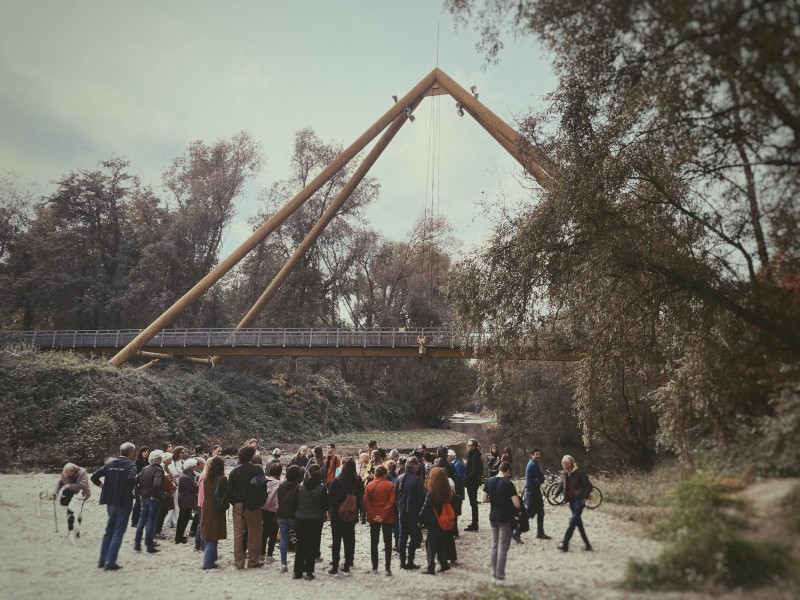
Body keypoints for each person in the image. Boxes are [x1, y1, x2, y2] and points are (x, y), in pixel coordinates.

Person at [91, 442, 137, 571]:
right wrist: (130, 490)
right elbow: (131, 479)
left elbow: (94, 477)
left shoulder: (110, 463)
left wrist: (104, 487)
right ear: (130, 452)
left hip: (110, 501)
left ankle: (102, 560)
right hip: (124, 502)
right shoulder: (130, 465)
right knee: (118, 532)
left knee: (109, 530)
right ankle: (110, 562)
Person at [225, 445, 265, 569]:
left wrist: (235, 503)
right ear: (251, 456)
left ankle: (239, 562)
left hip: (238, 504)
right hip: (253, 505)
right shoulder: (258, 469)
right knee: (255, 533)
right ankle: (253, 561)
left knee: (238, 534)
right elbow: (262, 487)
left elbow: (229, 492)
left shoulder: (234, 470)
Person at [483, 461, 521, 585]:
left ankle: (494, 574)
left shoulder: (488, 481)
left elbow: (483, 499)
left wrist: (494, 500)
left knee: (494, 545)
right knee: (503, 548)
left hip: (493, 517)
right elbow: (517, 504)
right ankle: (500, 577)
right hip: (505, 518)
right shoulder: (508, 483)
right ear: (508, 471)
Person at [327, 457, 363, 576]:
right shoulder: (358, 480)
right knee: (349, 539)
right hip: (351, 514)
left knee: (336, 540)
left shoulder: (336, 481)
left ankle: (335, 566)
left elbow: (329, 497)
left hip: (337, 515)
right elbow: (360, 497)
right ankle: (348, 564)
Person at [294, 464, 329, 580]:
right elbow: (325, 505)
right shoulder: (322, 488)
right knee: (311, 546)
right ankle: (309, 571)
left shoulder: (301, 486)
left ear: (308, 474)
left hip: (300, 518)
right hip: (315, 519)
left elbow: (295, 502)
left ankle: (297, 572)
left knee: (300, 545)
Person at [418, 466, 453, 575]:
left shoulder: (432, 491)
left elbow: (426, 507)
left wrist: (420, 519)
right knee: (441, 543)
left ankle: (430, 567)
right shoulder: (447, 490)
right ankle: (444, 564)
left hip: (433, 521)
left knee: (431, 544)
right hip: (443, 519)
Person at [363, 465, 396, 576]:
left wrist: (374, 515)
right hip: (387, 517)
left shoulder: (369, 485)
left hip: (374, 517)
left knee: (374, 542)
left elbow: (366, 502)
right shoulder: (390, 485)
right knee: (388, 542)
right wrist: (382, 515)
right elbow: (391, 503)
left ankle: (375, 567)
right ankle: (387, 568)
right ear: (385, 474)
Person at [555, 455, 592, 552]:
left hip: (578, 501)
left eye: (563, 462)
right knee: (578, 523)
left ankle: (565, 544)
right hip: (571, 501)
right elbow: (561, 484)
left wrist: (583, 497)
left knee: (572, 522)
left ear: (569, 463)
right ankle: (587, 544)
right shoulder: (565, 472)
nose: (562, 464)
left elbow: (589, 486)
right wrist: (555, 494)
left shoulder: (579, 472)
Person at [396, 456, 425, 570]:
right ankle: (410, 561)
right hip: (413, 511)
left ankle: (402, 562)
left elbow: (396, 495)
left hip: (402, 510)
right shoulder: (417, 480)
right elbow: (421, 497)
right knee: (414, 537)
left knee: (402, 537)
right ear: (414, 466)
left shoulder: (399, 478)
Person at [133, 449, 164, 554]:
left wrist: (139, 493)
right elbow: (157, 483)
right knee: (151, 522)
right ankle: (149, 546)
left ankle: (137, 544)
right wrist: (154, 496)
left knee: (142, 521)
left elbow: (134, 481)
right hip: (152, 499)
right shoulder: (158, 470)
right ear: (159, 459)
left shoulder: (144, 469)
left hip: (144, 498)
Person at [200, 456, 228, 569]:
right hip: (216, 509)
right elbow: (225, 494)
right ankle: (208, 562)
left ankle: (212, 558)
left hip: (206, 508)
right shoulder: (222, 479)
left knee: (209, 534)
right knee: (213, 536)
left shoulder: (205, 478)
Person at [519, 448, 550, 541]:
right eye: (536, 454)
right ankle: (516, 531)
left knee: (540, 511)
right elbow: (541, 478)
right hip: (531, 492)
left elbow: (540, 478)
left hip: (535, 491)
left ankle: (540, 533)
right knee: (529, 513)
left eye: (539, 454)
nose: (538, 456)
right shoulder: (533, 465)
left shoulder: (534, 463)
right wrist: (540, 478)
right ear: (532, 455)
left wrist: (539, 478)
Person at [277, 465, 303, 573]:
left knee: (283, 539)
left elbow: (278, 499)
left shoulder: (281, 485)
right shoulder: (298, 488)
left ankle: (283, 563)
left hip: (282, 515)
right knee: (300, 539)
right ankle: (299, 563)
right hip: (294, 516)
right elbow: (299, 503)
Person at [56, 462, 91, 541]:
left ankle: (77, 531)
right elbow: (60, 483)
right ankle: (69, 528)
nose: (66, 475)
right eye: (65, 473)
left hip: (80, 494)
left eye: (68, 473)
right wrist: (56, 491)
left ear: (72, 471)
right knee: (70, 512)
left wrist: (70, 486)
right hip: (70, 493)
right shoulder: (65, 472)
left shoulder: (82, 472)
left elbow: (83, 485)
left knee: (78, 513)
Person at [261, 461, 282, 561]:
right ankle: (269, 555)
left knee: (264, 532)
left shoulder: (265, 481)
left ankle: (262, 553)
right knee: (273, 533)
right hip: (274, 511)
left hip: (263, 509)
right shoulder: (280, 484)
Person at [176, 458, 198, 544]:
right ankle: (178, 537)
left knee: (183, 519)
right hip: (186, 500)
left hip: (185, 499)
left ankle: (180, 536)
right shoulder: (187, 477)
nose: (196, 467)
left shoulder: (186, 475)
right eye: (194, 466)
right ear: (191, 467)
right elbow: (194, 487)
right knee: (183, 519)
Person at [464, 438, 483, 532]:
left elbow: (474, 472)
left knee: (473, 503)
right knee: (473, 503)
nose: (468, 447)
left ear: (474, 446)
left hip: (472, 483)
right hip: (471, 482)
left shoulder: (475, 456)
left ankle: (474, 524)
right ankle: (474, 523)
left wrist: (465, 479)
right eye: (468, 445)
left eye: (470, 445)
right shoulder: (472, 455)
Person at [131, 446, 149, 527]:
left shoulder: (149, 462)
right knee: (138, 503)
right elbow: (135, 474)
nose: (146, 453)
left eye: (147, 451)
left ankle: (143, 520)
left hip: (147, 484)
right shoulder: (137, 462)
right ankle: (134, 521)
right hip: (139, 483)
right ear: (141, 452)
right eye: (144, 451)